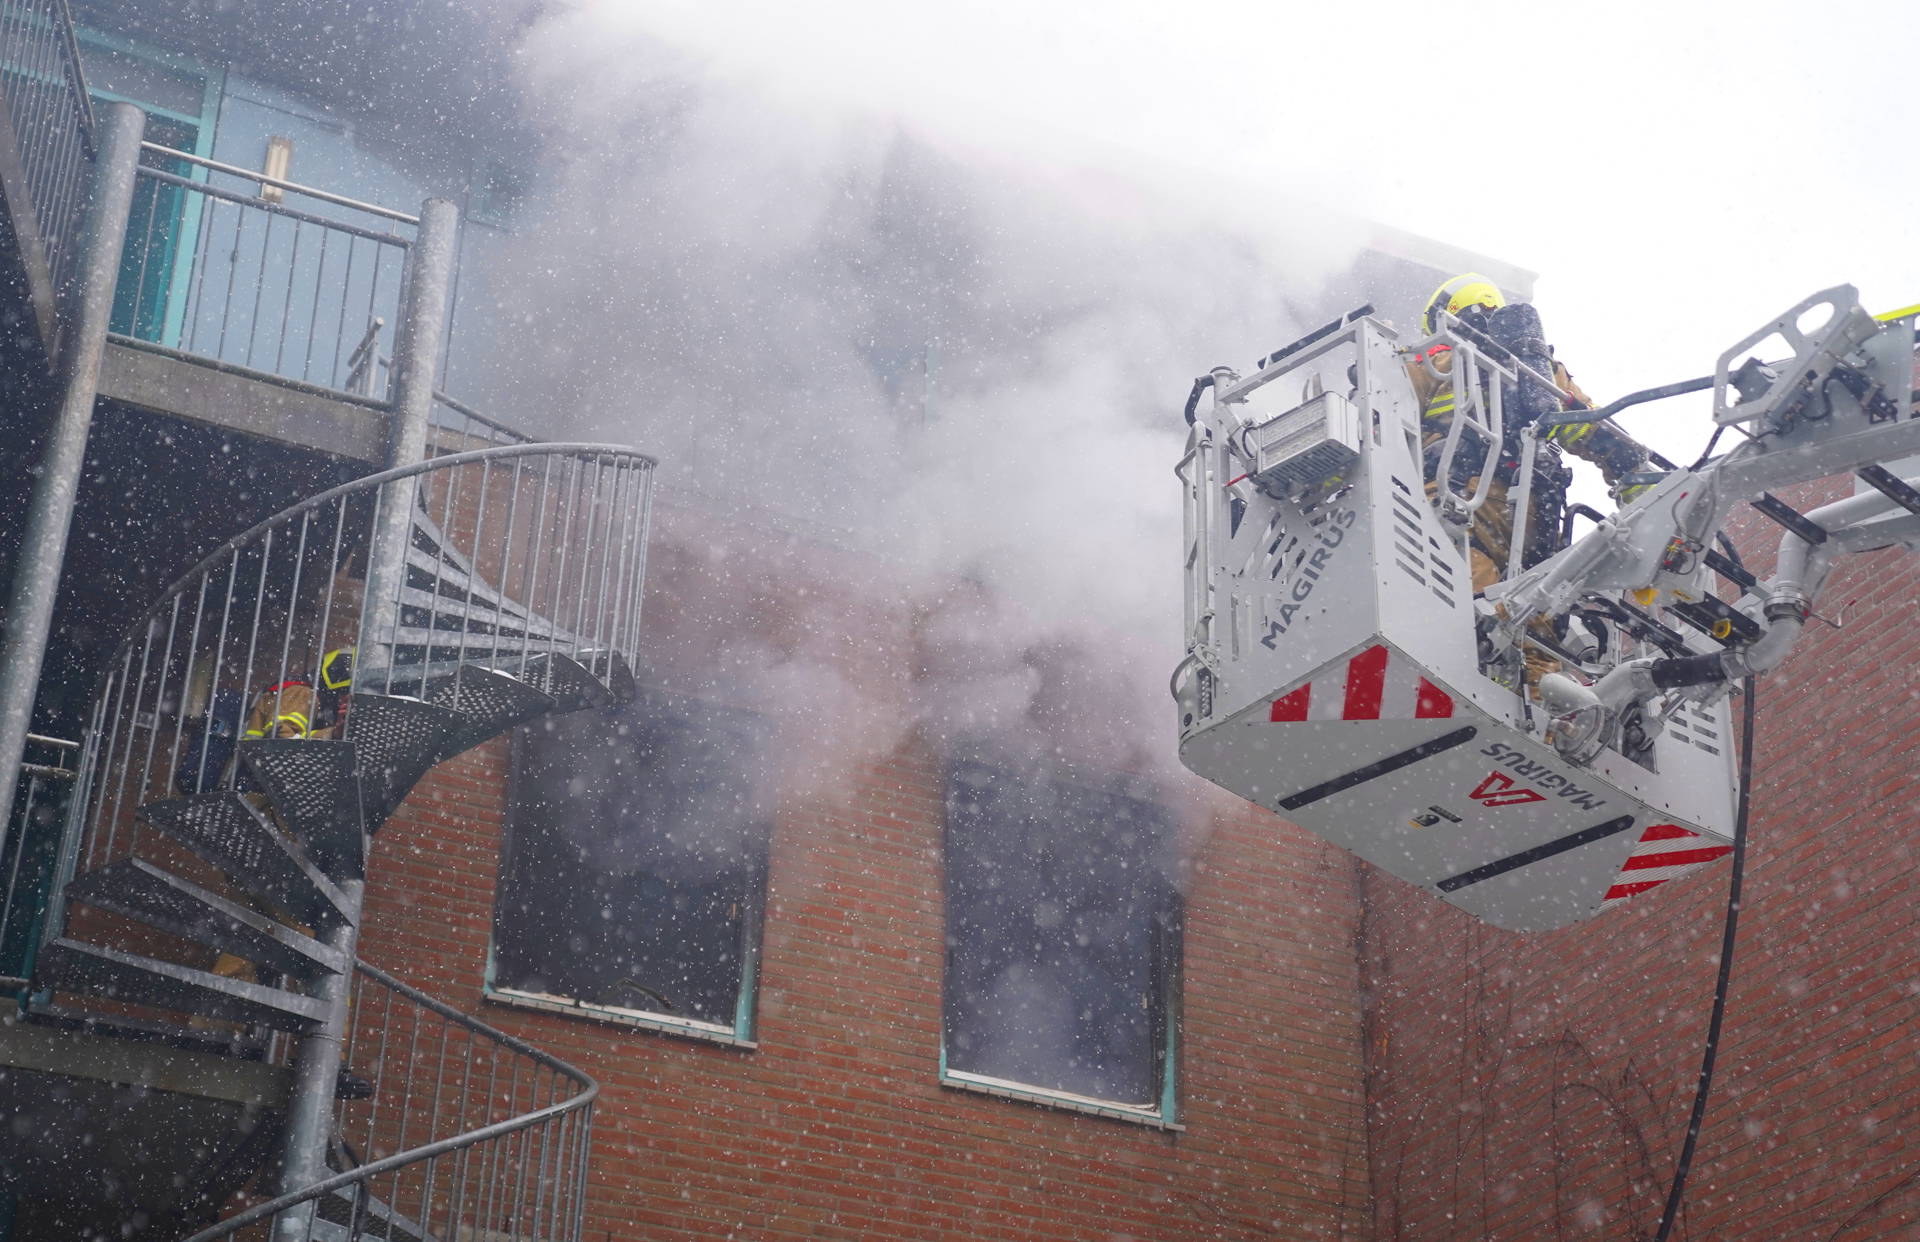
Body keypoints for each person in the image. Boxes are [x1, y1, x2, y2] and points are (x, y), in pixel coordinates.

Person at [1407, 273, 1652, 595]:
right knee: (1528, 611)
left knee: (1467, 599)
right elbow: (1597, 432)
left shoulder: (1430, 366)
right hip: (1533, 519)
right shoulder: (1539, 369)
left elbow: (1377, 419)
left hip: (1459, 503)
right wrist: (1642, 487)